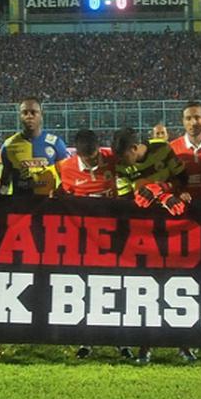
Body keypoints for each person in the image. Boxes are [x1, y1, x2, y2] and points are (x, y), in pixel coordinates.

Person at [112, 126, 191, 365]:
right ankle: (145, 348)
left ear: (135, 148)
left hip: (174, 230)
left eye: (126, 156)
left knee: (179, 287)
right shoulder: (121, 166)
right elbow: (125, 199)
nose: (124, 163)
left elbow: (183, 179)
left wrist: (164, 190)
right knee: (147, 288)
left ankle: (183, 345)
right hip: (143, 232)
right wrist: (152, 192)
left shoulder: (163, 149)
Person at [58, 129, 132, 361]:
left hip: (116, 238)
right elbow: (57, 193)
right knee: (87, 289)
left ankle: (122, 341)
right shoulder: (65, 168)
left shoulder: (113, 160)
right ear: (78, 154)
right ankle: (86, 340)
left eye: (94, 156)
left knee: (119, 287)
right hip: (85, 242)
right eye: (87, 158)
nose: (92, 161)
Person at [0, 98, 68, 197]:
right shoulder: (9, 145)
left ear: (41, 115)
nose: (29, 116)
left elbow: (65, 179)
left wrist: (58, 193)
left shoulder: (56, 143)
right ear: (20, 116)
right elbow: (5, 182)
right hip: (20, 206)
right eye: (25, 113)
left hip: (47, 205)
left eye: (33, 112)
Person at [171, 101, 201, 204]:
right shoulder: (172, 148)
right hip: (184, 208)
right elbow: (168, 180)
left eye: (197, 117)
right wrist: (178, 192)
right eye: (188, 118)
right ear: (183, 121)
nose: (193, 123)